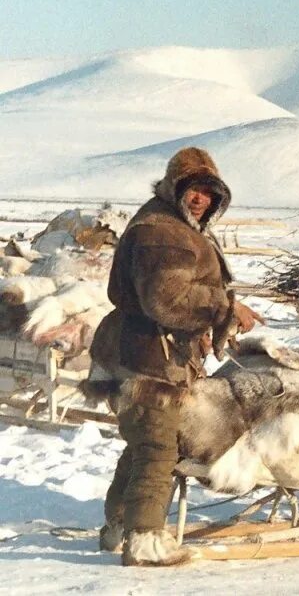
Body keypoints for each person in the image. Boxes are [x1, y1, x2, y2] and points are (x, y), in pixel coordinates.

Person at [89, 147, 237, 566]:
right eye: (193, 189)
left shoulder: (174, 224)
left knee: (142, 444)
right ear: (176, 188)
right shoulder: (162, 231)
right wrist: (224, 306)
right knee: (158, 447)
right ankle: (145, 539)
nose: (200, 199)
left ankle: (118, 525)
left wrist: (202, 332)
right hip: (147, 356)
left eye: (209, 192)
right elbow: (166, 299)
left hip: (151, 348)